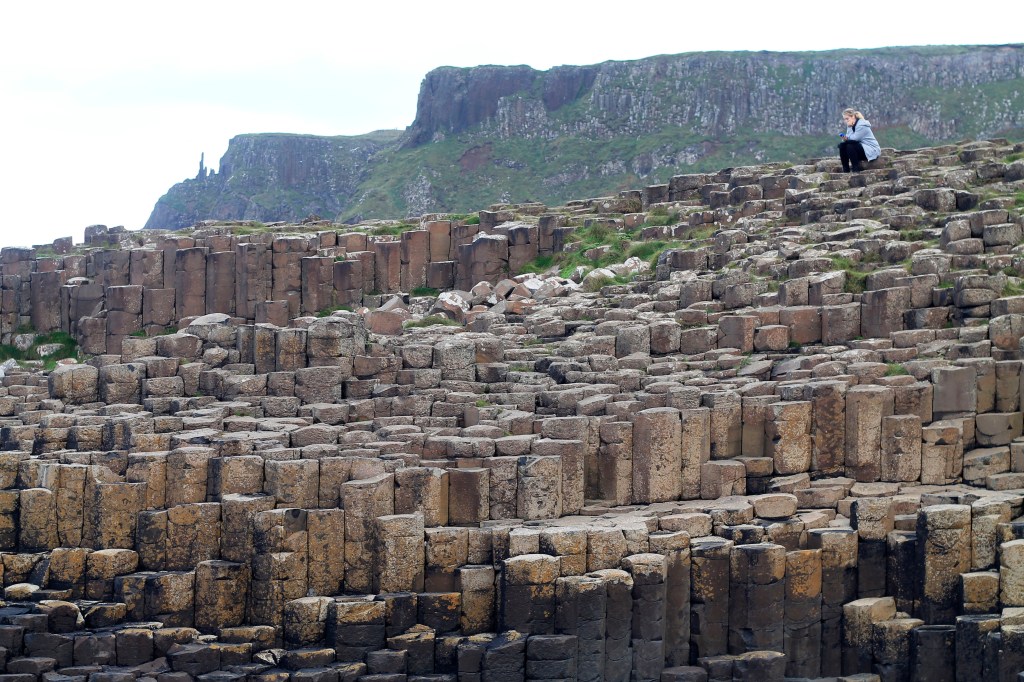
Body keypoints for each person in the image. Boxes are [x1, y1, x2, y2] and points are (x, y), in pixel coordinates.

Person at [838, 108, 881, 172]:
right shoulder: (850, 125)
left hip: (871, 150)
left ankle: (856, 168)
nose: (846, 121)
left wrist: (846, 139)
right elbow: (849, 138)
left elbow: (855, 139)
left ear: (853, 116)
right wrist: (845, 139)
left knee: (850, 146)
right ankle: (846, 169)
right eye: (845, 119)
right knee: (842, 146)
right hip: (861, 147)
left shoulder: (862, 125)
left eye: (847, 119)